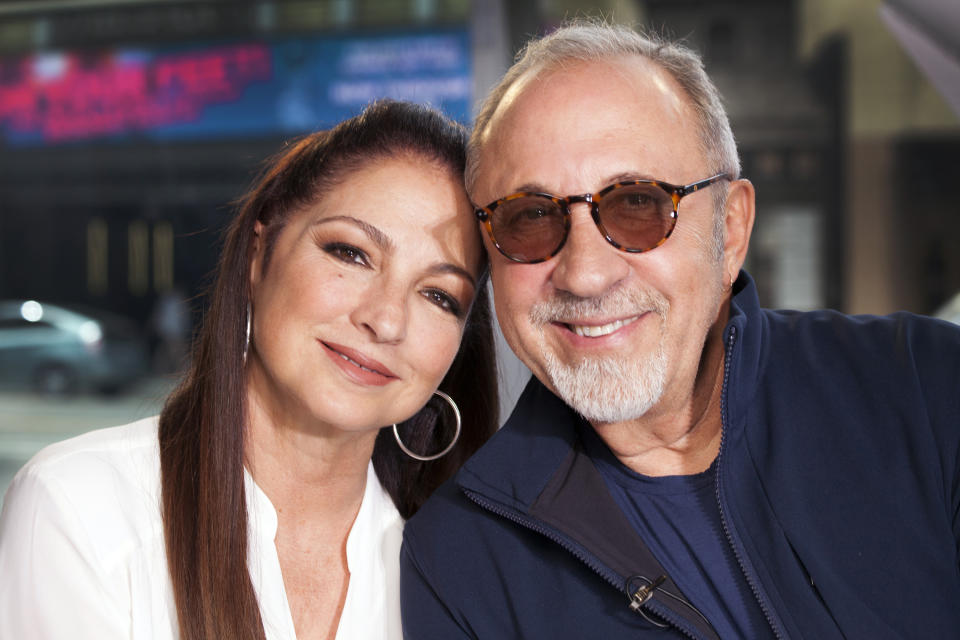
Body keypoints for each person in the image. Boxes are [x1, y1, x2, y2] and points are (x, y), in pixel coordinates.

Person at [400, 21, 960, 639]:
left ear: (732, 230)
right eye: (529, 218)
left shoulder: (927, 390)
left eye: (638, 204)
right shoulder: (460, 560)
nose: (585, 275)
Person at [0, 99, 499, 640]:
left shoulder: (454, 574)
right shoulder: (80, 507)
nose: (385, 319)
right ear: (260, 257)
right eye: (351, 253)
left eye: (439, 296)